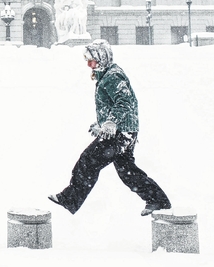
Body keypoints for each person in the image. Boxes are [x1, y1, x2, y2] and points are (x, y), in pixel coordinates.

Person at [48, 39, 171, 216]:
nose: (89, 65)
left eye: (92, 60)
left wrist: (111, 122)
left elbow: (125, 101)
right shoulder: (106, 75)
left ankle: (70, 198)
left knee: (88, 161)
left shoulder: (113, 76)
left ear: (102, 58)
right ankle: (158, 200)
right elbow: (114, 103)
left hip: (119, 133)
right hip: (124, 131)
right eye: (87, 61)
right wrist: (103, 123)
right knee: (127, 172)